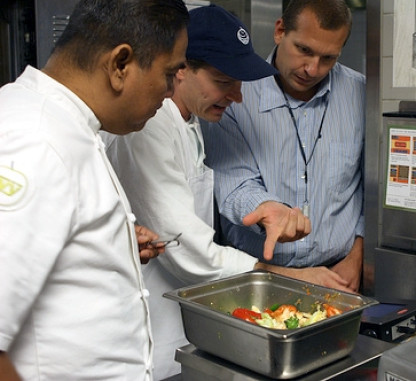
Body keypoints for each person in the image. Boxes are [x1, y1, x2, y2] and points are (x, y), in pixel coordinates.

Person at [102, 5, 356, 379]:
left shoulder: (190, 125)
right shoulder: (151, 128)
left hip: (182, 329)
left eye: (239, 83)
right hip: (146, 341)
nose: (237, 97)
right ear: (182, 69)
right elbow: (187, 249)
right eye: (224, 81)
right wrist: (276, 276)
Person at [0, 0, 189, 379]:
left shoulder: (64, 124)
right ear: (120, 64)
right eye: (169, 74)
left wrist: (105, 244)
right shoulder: (37, 140)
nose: (170, 92)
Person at [203, 0, 365, 292]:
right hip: (257, 276)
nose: (312, 69)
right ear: (280, 31)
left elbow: (373, 188)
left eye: (328, 58)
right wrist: (267, 209)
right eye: (304, 50)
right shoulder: (236, 96)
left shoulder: (361, 93)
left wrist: (357, 255)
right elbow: (233, 185)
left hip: (339, 277)